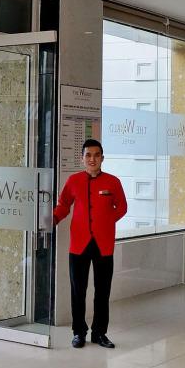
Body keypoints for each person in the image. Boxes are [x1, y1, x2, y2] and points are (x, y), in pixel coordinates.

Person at [54, 138, 128, 349]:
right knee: (78, 291)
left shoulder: (113, 182)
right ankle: (79, 332)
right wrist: (51, 219)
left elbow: (122, 207)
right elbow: (63, 205)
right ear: (82, 158)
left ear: (102, 158)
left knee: (102, 291)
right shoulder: (74, 181)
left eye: (96, 155)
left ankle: (99, 333)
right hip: (79, 244)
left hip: (103, 245)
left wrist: (106, 222)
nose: (92, 159)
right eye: (88, 155)